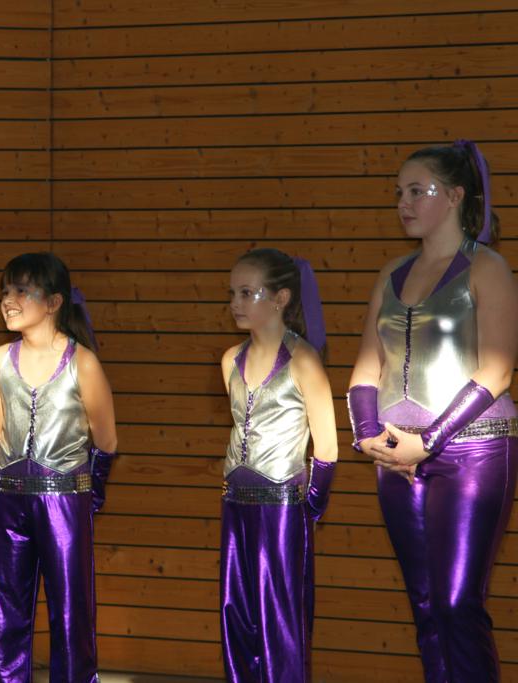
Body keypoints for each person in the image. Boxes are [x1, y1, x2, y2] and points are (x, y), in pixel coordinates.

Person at [347, 141, 518, 682]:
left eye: (417, 191)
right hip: (396, 455)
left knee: (456, 602)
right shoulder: (391, 273)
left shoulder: (486, 268)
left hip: (473, 450)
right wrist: (368, 435)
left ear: (455, 196)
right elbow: (365, 368)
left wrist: (428, 441)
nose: (404, 203)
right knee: (423, 603)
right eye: (399, 192)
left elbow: (497, 370)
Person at [0, 252, 117, 683]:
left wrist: (85, 498)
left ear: (55, 302)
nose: (9, 299)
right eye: (5, 290)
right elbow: (3, 435)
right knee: (6, 608)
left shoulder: (82, 362)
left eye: (22, 290)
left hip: (63, 503)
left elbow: (106, 442)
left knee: (70, 610)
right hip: (8, 500)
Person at [220, 248, 337, 682]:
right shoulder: (230, 360)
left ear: (281, 298)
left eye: (247, 293)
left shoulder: (302, 360)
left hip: (283, 508)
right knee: (237, 610)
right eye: (232, 293)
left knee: (280, 615)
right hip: (235, 503)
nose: (235, 303)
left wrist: (309, 508)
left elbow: (327, 446)